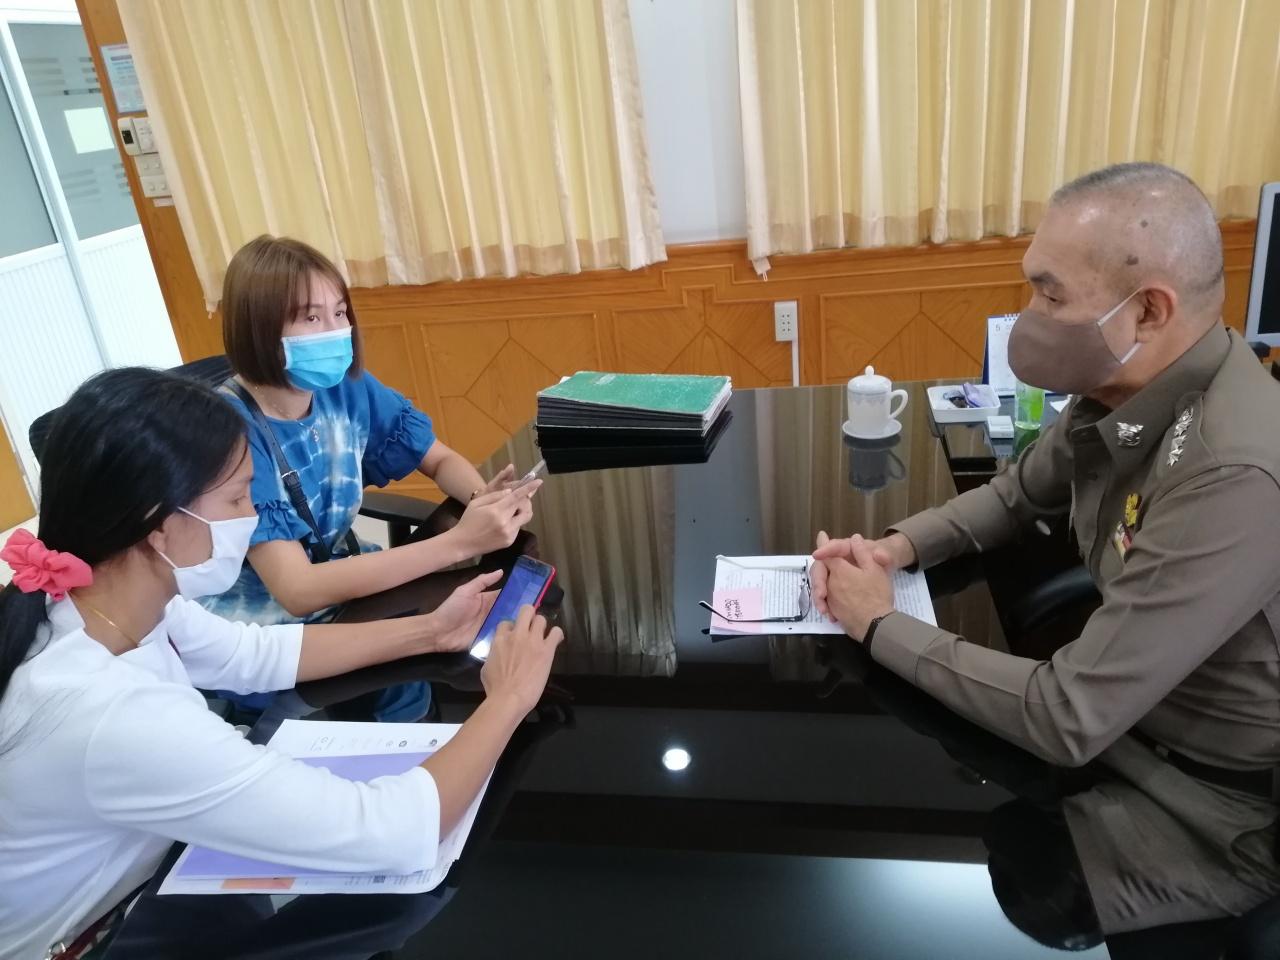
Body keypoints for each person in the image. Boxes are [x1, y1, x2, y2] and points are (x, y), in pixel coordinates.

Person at [811, 162, 1280, 933]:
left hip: (1210, 806)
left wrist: (878, 623)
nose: (1030, 315)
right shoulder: (1129, 387)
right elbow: (1016, 494)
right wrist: (897, 549)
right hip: (1126, 728)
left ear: (1148, 311)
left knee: (997, 901)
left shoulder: (1232, 472)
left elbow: (1068, 712)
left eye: (1050, 295)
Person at [0, 368, 562, 960]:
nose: (253, 514)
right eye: (237, 498)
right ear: (162, 528)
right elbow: (394, 831)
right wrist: (508, 700)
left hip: (140, 876)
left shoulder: (101, 600)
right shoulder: (118, 717)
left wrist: (429, 631)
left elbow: (251, 653)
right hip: (97, 935)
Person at [205, 234, 539, 631]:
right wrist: (463, 541)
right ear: (258, 329)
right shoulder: (230, 432)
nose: (335, 331)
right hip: (267, 626)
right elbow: (297, 590)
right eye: (311, 318)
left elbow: (438, 458)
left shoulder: (347, 388)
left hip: (349, 583)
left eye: (340, 312)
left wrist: (485, 502)